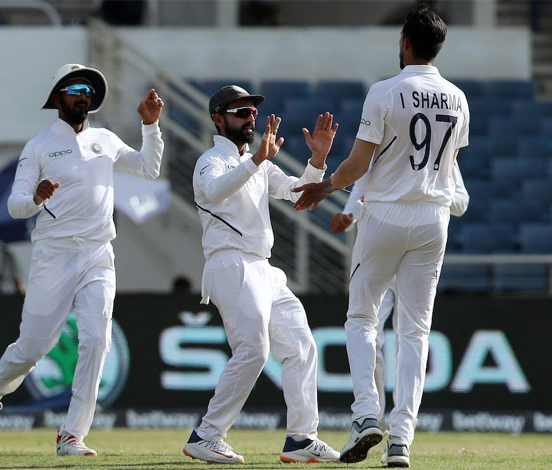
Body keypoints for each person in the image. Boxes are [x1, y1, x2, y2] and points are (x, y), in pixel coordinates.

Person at [293, 4, 469, 467]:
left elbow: (358, 165)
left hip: (387, 214)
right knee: (415, 331)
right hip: (434, 217)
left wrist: (325, 186)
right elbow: (450, 167)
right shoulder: (457, 97)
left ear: (405, 43)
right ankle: (401, 440)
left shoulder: (386, 91)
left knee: (362, 318)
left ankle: (367, 414)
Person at [0, 63, 164, 456]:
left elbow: (148, 167)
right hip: (54, 254)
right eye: (75, 88)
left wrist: (150, 127)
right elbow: (16, 205)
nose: (83, 94)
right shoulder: (39, 146)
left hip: (98, 253)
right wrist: (37, 198)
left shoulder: (105, 139)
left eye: (88, 89)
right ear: (57, 97)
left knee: (96, 339)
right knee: (33, 348)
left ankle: (72, 434)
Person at [184, 85, 340, 465]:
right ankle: (207, 434)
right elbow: (214, 191)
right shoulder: (210, 161)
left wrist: (317, 160)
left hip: (264, 268)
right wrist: (255, 160)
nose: (250, 117)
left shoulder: (260, 163)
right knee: (253, 350)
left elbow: (296, 192)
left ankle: (302, 438)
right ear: (218, 119)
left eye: (252, 112)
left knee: (302, 347)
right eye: (240, 112)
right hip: (230, 262)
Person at [329, 162, 469, 431]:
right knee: (372, 334)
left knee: (409, 333)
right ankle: (374, 418)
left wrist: (426, 191)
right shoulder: (383, 144)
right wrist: (349, 216)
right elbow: (363, 189)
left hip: (415, 253)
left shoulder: (441, 145)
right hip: (380, 253)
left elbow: (461, 202)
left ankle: (399, 426)